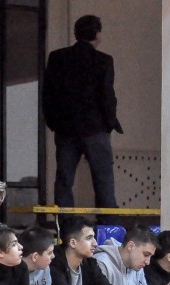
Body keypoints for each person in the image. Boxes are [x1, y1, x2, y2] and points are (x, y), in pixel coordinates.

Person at [43, 14, 122, 220]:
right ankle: (107, 227)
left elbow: (48, 94)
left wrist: (53, 122)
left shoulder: (57, 57)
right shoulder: (103, 60)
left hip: (65, 128)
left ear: (76, 33)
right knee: (103, 180)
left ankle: (66, 226)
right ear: (97, 34)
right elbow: (107, 95)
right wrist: (109, 122)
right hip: (95, 128)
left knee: (64, 179)